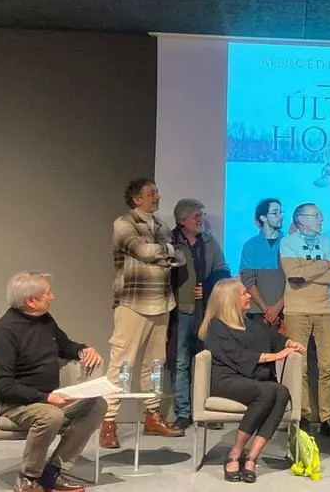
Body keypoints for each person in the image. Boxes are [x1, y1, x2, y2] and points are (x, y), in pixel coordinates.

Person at [0, 272, 106, 492]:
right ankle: (28, 478)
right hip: (16, 405)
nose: (53, 297)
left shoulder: (45, 320)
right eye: (47, 293)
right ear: (31, 301)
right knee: (51, 415)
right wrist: (46, 397)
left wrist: (83, 350)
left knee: (97, 405)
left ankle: (52, 472)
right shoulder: (4, 332)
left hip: (48, 399)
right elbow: (3, 385)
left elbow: (64, 346)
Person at [100, 178, 186, 449]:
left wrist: (163, 254)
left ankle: (152, 414)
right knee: (122, 363)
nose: (157, 197)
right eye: (151, 193)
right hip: (133, 303)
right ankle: (108, 421)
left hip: (161, 303)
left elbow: (180, 257)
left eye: (157, 192)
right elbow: (143, 251)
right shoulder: (124, 223)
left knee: (156, 364)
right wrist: (166, 253)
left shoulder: (161, 226)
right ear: (137, 199)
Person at [197, 278, 306, 482]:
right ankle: (235, 453)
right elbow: (239, 356)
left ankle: (252, 457)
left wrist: (290, 343)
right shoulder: (217, 326)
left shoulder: (249, 323)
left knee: (282, 392)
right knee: (266, 391)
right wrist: (277, 356)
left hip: (250, 380)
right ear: (230, 300)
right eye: (244, 293)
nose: (249, 296)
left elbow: (275, 338)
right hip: (227, 379)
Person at [279, 203, 330, 438]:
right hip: (297, 312)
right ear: (301, 219)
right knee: (301, 367)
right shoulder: (288, 242)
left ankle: (327, 418)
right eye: (316, 215)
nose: (321, 219)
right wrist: (322, 265)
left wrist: (307, 271)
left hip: (325, 310)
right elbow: (293, 275)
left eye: (320, 214)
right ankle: (303, 416)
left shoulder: (326, 241)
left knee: (328, 366)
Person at [168, 198, 229, 431]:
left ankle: (206, 411)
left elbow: (223, 270)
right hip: (180, 311)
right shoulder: (170, 242)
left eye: (202, 215)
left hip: (206, 311)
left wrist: (207, 286)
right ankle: (183, 413)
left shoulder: (210, 242)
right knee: (181, 361)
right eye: (196, 216)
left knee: (206, 360)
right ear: (182, 220)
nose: (201, 220)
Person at [240, 198, 287, 332]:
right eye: (275, 213)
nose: (280, 216)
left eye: (281, 212)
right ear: (263, 218)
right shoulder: (251, 245)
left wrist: (277, 307)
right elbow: (248, 280)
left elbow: (294, 280)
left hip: (287, 312)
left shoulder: (289, 243)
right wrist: (266, 309)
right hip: (257, 313)